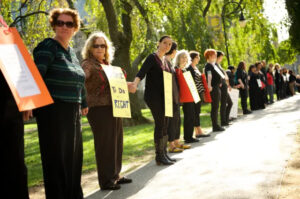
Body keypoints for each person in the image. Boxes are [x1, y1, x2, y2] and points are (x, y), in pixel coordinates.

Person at [33, 8, 88, 198]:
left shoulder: (72, 52)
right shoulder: (47, 46)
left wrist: (84, 102)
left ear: (75, 28)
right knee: (56, 161)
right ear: (54, 25)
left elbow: (79, 79)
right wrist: (29, 103)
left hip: (72, 110)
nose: (64, 27)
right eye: (60, 23)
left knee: (73, 158)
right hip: (53, 111)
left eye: (69, 24)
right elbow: (36, 76)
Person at [81, 32, 132, 190]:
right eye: (96, 45)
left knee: (116, 142)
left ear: (106, 48)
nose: (99, 48)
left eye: (102, 45)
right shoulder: (88, 64)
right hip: (98, 109)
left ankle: (115, 175)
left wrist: (128, 85)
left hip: (115, 106)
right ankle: (106, 181)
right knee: (105, 144)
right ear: (90, 47)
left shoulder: (107, 64)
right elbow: (80, 78)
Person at [131, 36, 174, 165]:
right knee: (160, 123)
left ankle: (164, 153)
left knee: (165, 123)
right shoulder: (152, 58)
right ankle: (159, 156)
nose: (167, 46)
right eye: (165, 43)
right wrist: (134, 84)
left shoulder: (165, 61)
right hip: (153, 97)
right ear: (158, 43)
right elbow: (141, 72)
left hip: (164, 97)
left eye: (170, 44)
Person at [0, 70, 32, 199]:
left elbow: (20, 68)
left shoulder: (12, 48)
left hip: (12, 104)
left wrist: (28, 102)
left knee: (17, 159)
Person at [165, 42, 190, 153]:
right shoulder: (168, 63)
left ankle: (176, 141)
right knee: (172, 121)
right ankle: (171, 144)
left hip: (176, 97)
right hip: (170, 97)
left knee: (177, 120)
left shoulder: (170, 64)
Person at [175, 50, 200, 143]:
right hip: (184, 97)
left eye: (186, 57)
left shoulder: (186, 69)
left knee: (192, 116)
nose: (184, 59)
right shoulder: (176, 69)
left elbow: (191, 84)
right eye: (182, 57)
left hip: (191, 96)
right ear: (178, 59)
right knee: (188, 117)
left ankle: (190, 136)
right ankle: (187, 137)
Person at [188, 51, 211, 138]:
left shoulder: (195, 68)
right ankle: (198, 131)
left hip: (199, 92)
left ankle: (198, 131)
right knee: (195, 112)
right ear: (193, 58)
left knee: (197, 111)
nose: (199, 59)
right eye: (197, 57)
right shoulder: (190, 68)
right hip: (194, 92)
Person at [204, 49, 224, 132]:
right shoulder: (208, 65)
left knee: (216, 107)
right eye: (213, 55)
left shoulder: (214, 65)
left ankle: (216, 124)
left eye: (215, 55)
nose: (215, 56)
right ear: (208, 56)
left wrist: (220, 81)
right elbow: (209, 76)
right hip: (213, 88)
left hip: (217, 87)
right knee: (215, 107)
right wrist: (209, 85)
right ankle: (215, 126)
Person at [216, 51, 233, 126]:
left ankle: (225, 120)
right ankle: (223, 121)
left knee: (229, 103)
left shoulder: (219, 65)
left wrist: (228, 84)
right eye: (221, 57)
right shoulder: (215, 65)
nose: (221, 59)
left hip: (224, 85)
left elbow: (225, 76)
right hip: (221, 87)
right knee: (223, 104)